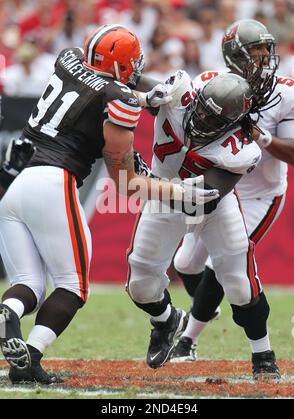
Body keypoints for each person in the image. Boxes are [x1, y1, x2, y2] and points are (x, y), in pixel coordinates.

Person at [0, 24, 218, 385]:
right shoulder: (120, 98)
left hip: (15, 181)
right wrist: (181, 193)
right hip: (53, 181)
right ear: (119, 67)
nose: (136, 70)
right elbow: (125, 181)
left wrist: (145, 97)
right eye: (132, 63)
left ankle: (8, 311)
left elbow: (95, 88)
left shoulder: (67, 59)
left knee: (28, 282)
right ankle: (31, 355)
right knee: (72, 286)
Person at [127, 68, 280, 380]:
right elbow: (133, 83)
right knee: (141, 286)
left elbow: (204, 198)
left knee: (238, 284)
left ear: (233, 123)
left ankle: (263, 356)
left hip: (210, 205)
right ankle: (166, 320)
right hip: (164, 196)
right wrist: (141, 91)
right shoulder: (182, 92)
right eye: (201, 111)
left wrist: (145, 180)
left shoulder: (241, 149)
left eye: (213, 120)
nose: (202, 121)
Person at [172, 19, 294, 381]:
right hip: (219, 187)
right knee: (185, 262)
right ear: (236, 56)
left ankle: (191, 341)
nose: (264, 57)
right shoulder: (211, 84)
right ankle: (204, 311)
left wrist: (259, 136)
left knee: (224, 265)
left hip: (260, 193)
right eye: (256, 51)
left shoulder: (287, 92)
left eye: (266, 50)